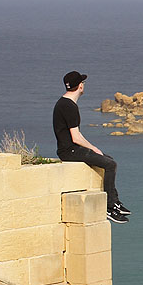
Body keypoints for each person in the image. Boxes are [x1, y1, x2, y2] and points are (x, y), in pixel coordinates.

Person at [54, 71, 130, 224]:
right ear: (80, 86)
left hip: (69, 149)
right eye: (82, 83)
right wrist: (93, 148)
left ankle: (115, 202)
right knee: (110, 164)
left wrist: (93, 150)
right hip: (70, 151)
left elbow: (75, 135)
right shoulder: (69, 107)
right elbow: (76, 137)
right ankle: (109, 207)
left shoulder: (63, 103)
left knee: (107, 159)